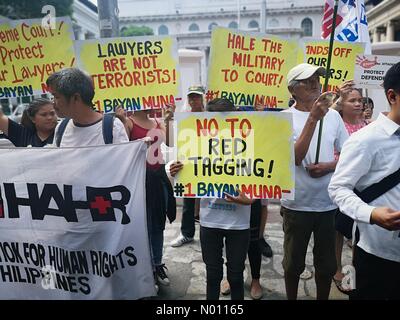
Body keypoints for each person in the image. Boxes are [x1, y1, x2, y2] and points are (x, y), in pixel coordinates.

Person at [170, 98, 255, 300]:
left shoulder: (250, 144)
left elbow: (261, 177)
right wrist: (175, 171)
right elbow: (183, 171)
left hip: (239, 224)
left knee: (235, 277)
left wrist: (251, 199)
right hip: (210, 221)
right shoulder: (197, 143)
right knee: (213, 275)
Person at [328, 62, 400, 300]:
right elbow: (338, 188)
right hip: (379, 255)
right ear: (392, 96)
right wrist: (371, 213)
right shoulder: (365, 140)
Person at [281, 63, 348, 300]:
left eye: (316, 79)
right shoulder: (283, 119)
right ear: (292, 90)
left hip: (328, 205)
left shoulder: (334, 118)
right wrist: (312, 119)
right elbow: (296, 157)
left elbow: (347, 156)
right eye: (306, 80)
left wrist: (328, 166)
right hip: (296, 205)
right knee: (292, 264)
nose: (314, 84)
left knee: (326, 266)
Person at [118, 107, 176, 288]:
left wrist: (169, 119)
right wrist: (120, 121)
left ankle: (157, 265)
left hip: (158, 178)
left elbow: (171, 143)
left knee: (158, 225)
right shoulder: (128, 122)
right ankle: (146, 268)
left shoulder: (156, 122)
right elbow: (120, 151)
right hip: (139, 180)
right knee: (144, 227)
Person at [331, 82, 368, 294]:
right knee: (339, 230)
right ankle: (336, 270)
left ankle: (353, 268)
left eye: (360, 101)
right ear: (342, 105)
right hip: (341, 187)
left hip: (363, 189)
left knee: (358, 232)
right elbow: (337, 157)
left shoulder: (367, 126)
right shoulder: (337, 125)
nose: (357, 104)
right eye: (352, 100)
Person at [46, 68, 128, 147]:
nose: (53, 103)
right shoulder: (61, 128)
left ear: (76, 98)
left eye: (56, 97)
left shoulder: (113, 127)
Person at [170, 85, 206, 248]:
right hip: (189, 163)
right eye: (191, 97)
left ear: (203, 98)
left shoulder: (212, 115)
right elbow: (172, 140)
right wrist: (169, 119)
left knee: (208, 198)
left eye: (197, 97)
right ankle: (187, 233)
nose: (193, 100)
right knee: (188, 200)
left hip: (208, 163)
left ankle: (209, 235)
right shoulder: (183, 118)